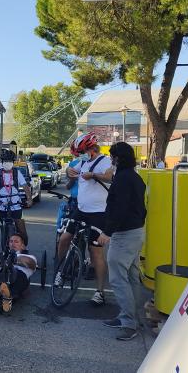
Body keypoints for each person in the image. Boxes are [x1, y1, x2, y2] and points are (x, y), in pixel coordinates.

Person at [55, 132, 113, 306]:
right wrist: (69, 170)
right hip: (80, 210)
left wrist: (94, 176)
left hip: (99, 213)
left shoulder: (105, 161)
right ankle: (60, 270)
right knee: (64, 238)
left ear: (92, 149)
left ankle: (100, 291)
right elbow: (71, 171)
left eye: (84, 151)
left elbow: (110, 177)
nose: (82, 154)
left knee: (95, 252)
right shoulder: (84, 162)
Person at [98, 142, 147, 341]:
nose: (110, 159)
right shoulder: (134, 177)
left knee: (118, 279)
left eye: (112, 156)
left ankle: (128, 323)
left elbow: (119, 208)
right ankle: (130, 316)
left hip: (124, 234)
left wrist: (107, 232)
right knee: (132, 276)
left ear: (118, 158)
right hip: (136, 231)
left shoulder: (123, 179)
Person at [0, 233, 37, 313]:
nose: (13, 244)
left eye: (16, 241)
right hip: (0, 276)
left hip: (18, 276)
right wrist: (3, 259)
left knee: (18, 278)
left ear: (23, 245)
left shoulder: (29, 257)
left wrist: (14, 259)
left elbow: (31, 263)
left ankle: (6, 294)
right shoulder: (1, 255)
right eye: (11, 241)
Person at [0, 149, 32, 245]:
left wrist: (29, 198)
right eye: (5, 161)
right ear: (2, 162)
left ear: (13, 162)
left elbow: (25, 186)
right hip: (2, 205)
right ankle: (4, 250)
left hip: (16, 205)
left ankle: (23, 248)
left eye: (10, 161)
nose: (8, 163)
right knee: (3, 229)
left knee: (22, 230)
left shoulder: (16, 173)